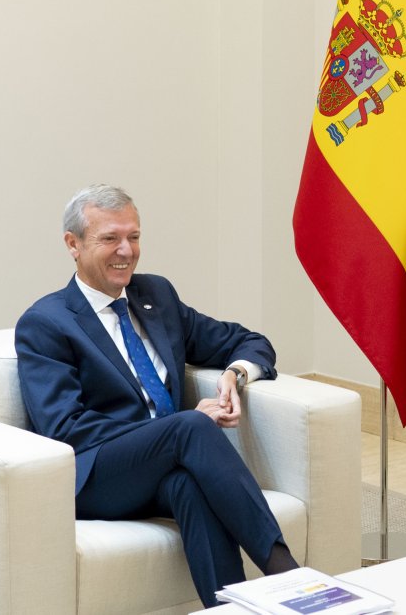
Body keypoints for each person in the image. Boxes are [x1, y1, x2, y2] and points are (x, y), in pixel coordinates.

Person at [16, 184, 298, 607]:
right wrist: (173, 429)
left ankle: (230, 608)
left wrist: (236, 374)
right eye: (110, 238)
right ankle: (290, 577)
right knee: (190, 427)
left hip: (163, 467)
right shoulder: (47, 322)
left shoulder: (156, 296)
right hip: (95, 477)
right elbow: (65, 428)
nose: (126, 251)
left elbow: (249, 341)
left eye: (134, 236)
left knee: (188, 484)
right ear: (73, 244)